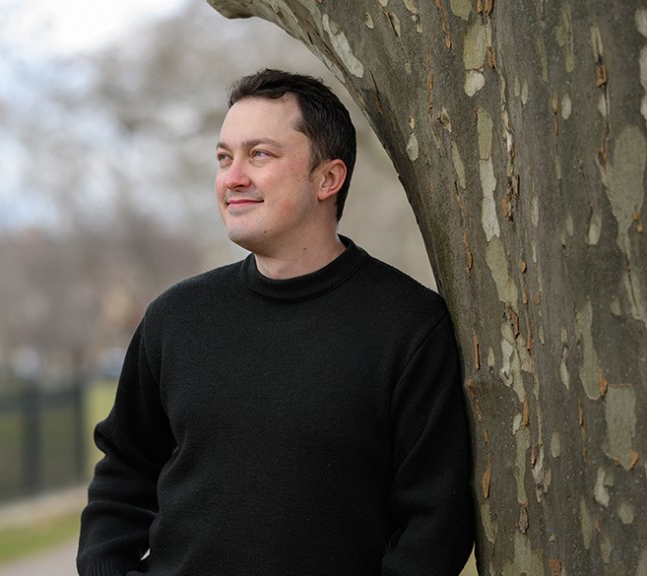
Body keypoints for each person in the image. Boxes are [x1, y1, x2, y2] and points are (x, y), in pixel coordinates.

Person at [77, 68, 475, 576]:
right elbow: (124, 472)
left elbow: (434, 525)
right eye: (224, 157)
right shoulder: (175, 318)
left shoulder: (409, 326)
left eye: (259, 154)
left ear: (328, 178)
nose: (232, 177)